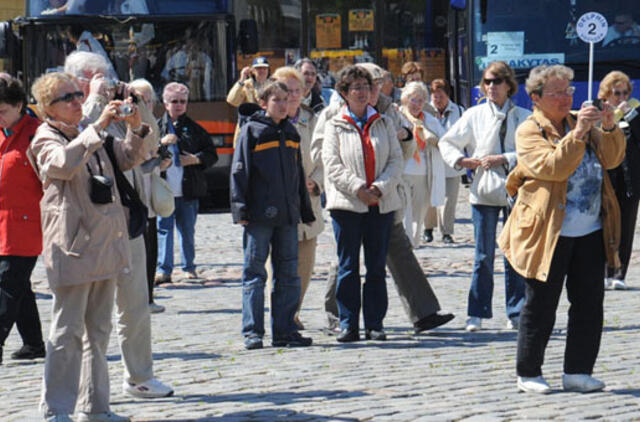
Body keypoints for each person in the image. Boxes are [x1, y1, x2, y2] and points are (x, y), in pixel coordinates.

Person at [499, 64, 625, 394]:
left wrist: (610, 128)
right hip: (546, 231)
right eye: (557, 93)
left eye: (568, 91)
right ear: (535, 98)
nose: (565, 98)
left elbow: (612, 160)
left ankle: (578, 371)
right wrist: (579, 133)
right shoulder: (529, 131)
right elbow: (553, 168)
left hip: (590, 229)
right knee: (541, 304)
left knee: (589, 303)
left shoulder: (577, 120)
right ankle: (528, 371)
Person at [30, 71, 145, 422]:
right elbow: (62, 165)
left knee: (98, 331)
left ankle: (96, 408)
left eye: (78, 95)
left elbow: (126, 159)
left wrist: (136, 128)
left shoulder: (84, 131)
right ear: (49, 108)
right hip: (74, 246)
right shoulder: (44, 137)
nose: (77, 102)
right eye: (68, 98)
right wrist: (98, 126)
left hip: (104, 242)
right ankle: (56, 410)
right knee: (67, 332)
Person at [312, 63, 454, 336]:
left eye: (375, 84)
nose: (370, 90)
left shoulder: (388, 112)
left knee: (388, 257)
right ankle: (341, 318)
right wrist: (347, 186)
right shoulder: (333, 114)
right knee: (345, 262)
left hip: (385, 197)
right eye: (363, 86)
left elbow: (400, 153)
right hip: (348, 199)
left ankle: (413, 314)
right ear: (346, 90)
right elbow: (322, 155)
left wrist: (404, 139)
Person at [65, 52, 174, 401]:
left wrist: (140, 109)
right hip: (91, 227)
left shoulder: (115, 109)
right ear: (79, 82)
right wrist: (96, 100)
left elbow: (147, 149)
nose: (107, 82)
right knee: (93, 316)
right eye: (97, 77)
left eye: (106, 75)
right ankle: (89, 390)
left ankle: (140, 376)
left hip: (128, 221)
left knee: (136, 305)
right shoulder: (69, 111)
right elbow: (77, 141)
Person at [439, 61, 530, 332]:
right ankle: (476, 311)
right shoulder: (474, 115)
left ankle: (516, 311)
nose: (491, 87)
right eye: (487, 82)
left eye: (497, 81)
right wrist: (461, 161)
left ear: (508, 85)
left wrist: (505, 157)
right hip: (484, 190)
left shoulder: (523, 116)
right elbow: (447, 142)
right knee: (482, 255)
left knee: (514, 253)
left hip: (515, 189)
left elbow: (534, 151)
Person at [231, 80, 315, 350]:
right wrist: (240, 208)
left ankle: (285, 329)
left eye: (286, 99)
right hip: (259, 215)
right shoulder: (251, 130)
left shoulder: (291, 132)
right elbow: (239, 170)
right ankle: (253, 331)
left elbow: (298, 174)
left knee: (289, 274)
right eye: (276, 100)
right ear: (264, 103)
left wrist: (304, 209)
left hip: (288, 216)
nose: (283, 104)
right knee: (255, 273)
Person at [322, 65, 403, 342]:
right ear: (344, 93)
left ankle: (375, 323)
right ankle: (348, 323)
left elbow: (396, 160)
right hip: (347, 205)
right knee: (348, 267)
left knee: (377, 266)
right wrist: (358, 189)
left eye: (365, 87)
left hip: (380, 204)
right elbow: (331, 164)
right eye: (355, 87)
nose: (361, 92)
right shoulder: (334, 123)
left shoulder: (384, 122)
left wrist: (379, 188)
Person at [271, 66, 323, 329]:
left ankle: (293, 313)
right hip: (277, 206)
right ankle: (280, 314)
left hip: (308, 205)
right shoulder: (265, 121)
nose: (292, 96)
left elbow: (327, 156)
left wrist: (317, 183)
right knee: (279, 264)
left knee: (304, 265)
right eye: (286, 90)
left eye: (296, 90)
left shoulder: (313, 120)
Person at [0, 75, 46, 365]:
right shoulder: (2, 132)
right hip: (3, 223)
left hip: (28, 224)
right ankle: (33, 343)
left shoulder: (38, 134)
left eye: (2, 110)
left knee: (6, 283)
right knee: (20, 286)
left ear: (19, 106)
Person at [155, 82, 218, 283]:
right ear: (165, 104)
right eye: (174, 101)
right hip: (165, 190)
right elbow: (145, 156)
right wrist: (162, 144)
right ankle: (164, 270)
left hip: (188, 189)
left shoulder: (194, 128)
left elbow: (211, 154)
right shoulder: (157, 127)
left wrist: (196, 159)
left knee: (187, 231)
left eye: (182, 101)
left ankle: (189, 267)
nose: (179, 105)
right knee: (163, 230)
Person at [129, 78, 170, 312]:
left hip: (151, 199)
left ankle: (149, 297)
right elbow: (135, 162)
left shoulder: (154, 121)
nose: (145, 103)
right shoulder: (132, 122)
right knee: (139, 251)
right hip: (136, 197)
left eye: (148, 99)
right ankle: (140, 299)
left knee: (152, 250)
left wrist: (163, 161)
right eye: (140, 99)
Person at [598, 71, 640, 290]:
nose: (622, 97)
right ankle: (604, 270)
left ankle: (620, 274)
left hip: (630, 179)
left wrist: (631, 115)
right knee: (605, 225)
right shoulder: (600, 113)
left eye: (625, 92)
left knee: (626, 225)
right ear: (607, 94)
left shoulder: (635, 110)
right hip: (606, 178)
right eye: (617, 93)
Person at [399, 81, 446, 248]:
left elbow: (444, 140)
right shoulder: (398, 117)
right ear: (405, 99)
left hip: (423, 172)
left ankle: (412, 243)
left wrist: (433, 139)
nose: (417, 105)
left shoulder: (430, 121)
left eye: (421, 101)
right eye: (413, 100)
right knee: (404, 212)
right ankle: (404, 244)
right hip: (402, 172)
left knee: (418, 214)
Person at [425, 78, 465, 244]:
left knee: (450, 198)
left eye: (440, 96)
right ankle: (428, 229)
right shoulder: (425, 111)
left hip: (451, 162)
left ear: (448, 95)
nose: (437, 99)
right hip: (430, 161)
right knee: (429, 198)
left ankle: (446, 231)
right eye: (434, 96)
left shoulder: (460, 111)